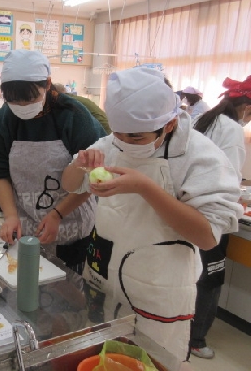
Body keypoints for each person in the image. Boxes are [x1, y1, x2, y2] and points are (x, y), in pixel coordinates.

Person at [61, 67, 243, 361]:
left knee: (150, 361)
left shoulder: (200, 156)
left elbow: (207, 236)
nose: (123, 142)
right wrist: (79, 164)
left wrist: (145, 188)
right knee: (102, 356)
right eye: (118, 133)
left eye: (135, 137)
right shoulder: (112, 143)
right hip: (104, 273)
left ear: (169, 124)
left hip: (159, 287)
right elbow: (69, 185)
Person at [0, 50, 106, 272]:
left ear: (48, 84)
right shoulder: (4, 120)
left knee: (70, 290)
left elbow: (92, 176)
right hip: (27, 225)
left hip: (73, 224)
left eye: (30, 99)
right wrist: (10, 215)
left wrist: (58, 213)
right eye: (13, 100)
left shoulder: (74, 116)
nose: (21, 106)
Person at [190, 75, 251, 359]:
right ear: (246, 108)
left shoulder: (205, 121)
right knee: (210, 280)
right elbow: (230, 178)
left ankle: (184, 332)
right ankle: (197, 340)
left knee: (192, 274)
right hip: (212, 217)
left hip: (188, 210)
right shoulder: (232, 129)